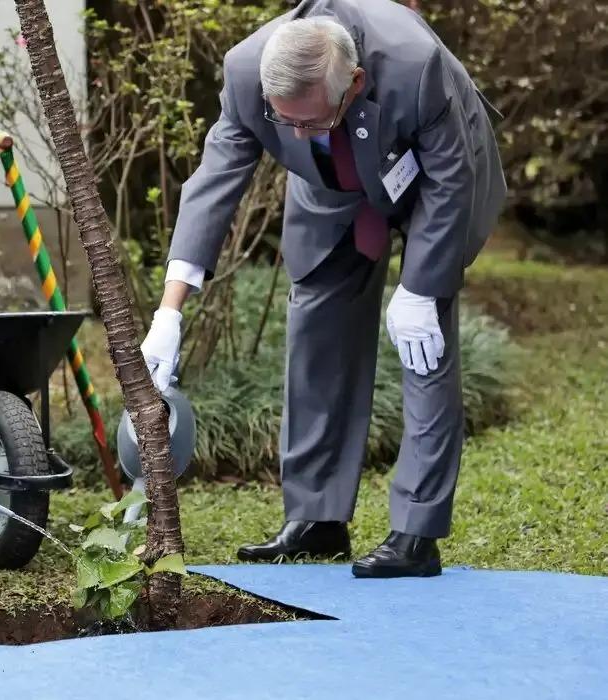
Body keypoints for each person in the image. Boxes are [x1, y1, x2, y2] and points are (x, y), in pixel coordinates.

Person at [140, 0, 506, 578]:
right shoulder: (245, 73)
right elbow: (213, 184)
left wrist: (416, 290)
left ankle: (416, 532)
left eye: (311, 121)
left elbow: (449, 179)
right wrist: (170, 311)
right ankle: (316, 518)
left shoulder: (417, 68)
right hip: (330, 189)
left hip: (435, 180)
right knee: (316, 334)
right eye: (286, 123)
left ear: (354, 84)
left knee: (424, 340)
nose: (297, 133)